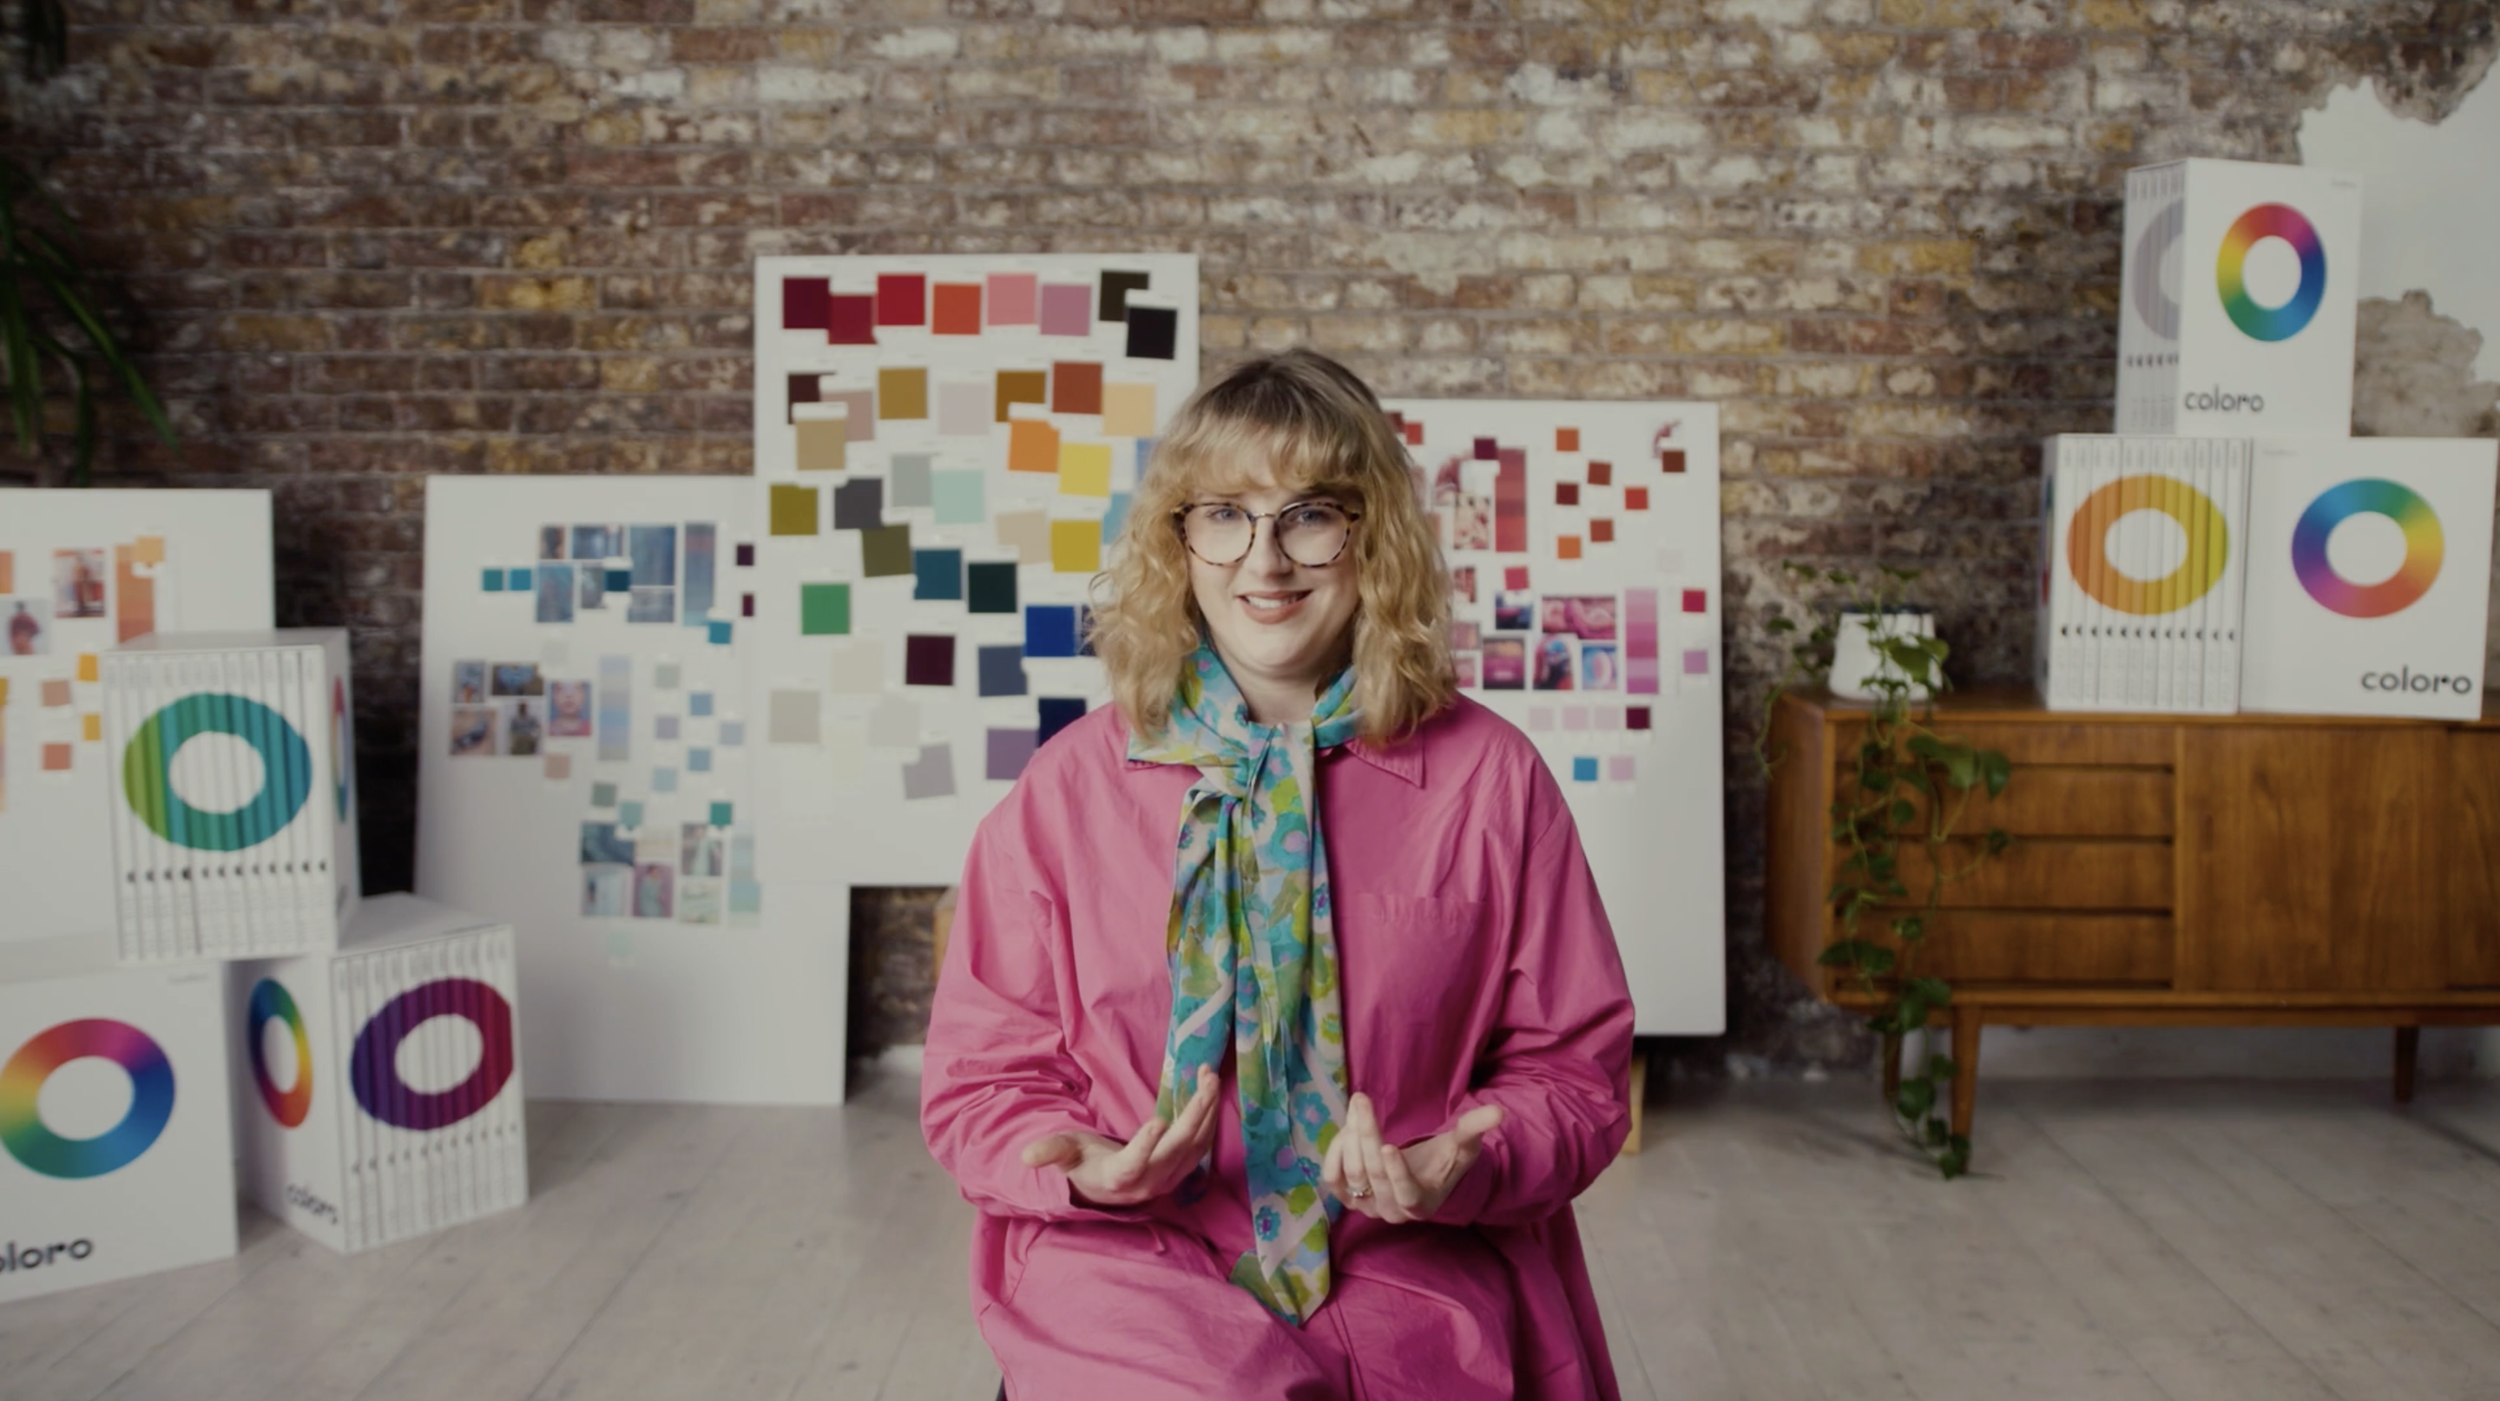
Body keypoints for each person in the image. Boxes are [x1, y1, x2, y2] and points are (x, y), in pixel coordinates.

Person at [921, 349, 1636, 1400]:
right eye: (1222, 514)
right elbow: (984, 1078)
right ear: (1179, 541)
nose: (1264, 562)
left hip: (1411, 1264)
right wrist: (1077, 1161)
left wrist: (1468, 1160)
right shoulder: (1065, 791)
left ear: (1372, 537)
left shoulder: (1491, 781)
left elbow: (1572, 1074)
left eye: (1309, 514)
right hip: (1135, 1262)